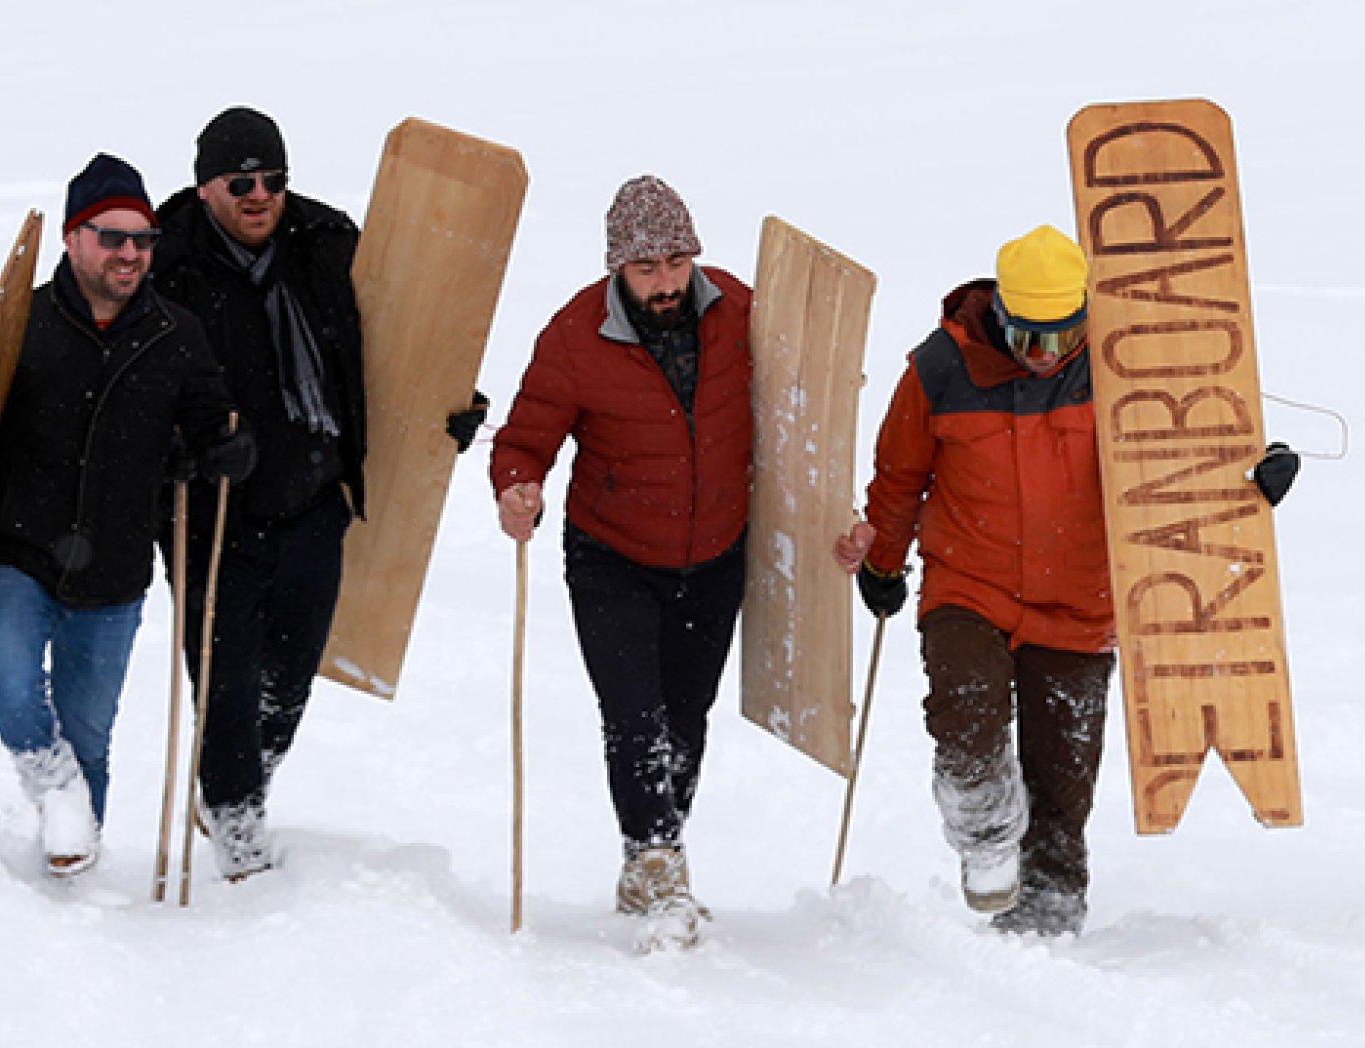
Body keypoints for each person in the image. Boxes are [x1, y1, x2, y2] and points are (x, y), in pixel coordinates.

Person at [831, 225, 1299, 936]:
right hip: (970, 584)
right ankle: (984, 833)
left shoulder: (1127, 363)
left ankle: (1048, 904)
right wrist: (883, 564)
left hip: (1082, 599)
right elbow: (898, 478)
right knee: (965, 717)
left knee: (1062, 770)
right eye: (1028, 339)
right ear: (1000, 316)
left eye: (1063, 337)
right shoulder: (939, 369)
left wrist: (1255, 476)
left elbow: (1189, 450)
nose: (1045, 358)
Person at [150, 106, 486, 882]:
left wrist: (450, 407)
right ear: (206, 189)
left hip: (312, 502)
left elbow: (395, 344)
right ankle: (234, 815)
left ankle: (245, 780)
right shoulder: (168, 264)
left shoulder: (327, 242)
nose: (260, 194)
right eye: (241, 183)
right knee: (225, 674)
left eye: (273, 179)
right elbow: (136, 387)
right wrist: (189, 448)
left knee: (290, 674)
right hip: (213, 513)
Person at [0, 153, 255, 878]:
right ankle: (55, 793)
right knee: (8, 685)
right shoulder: (16, 322)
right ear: (72, 238)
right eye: (112, 237)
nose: (130, 253)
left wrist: (225, 448)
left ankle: (73, 865)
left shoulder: (175, 334)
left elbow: (211, 421)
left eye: (143, 239)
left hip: (117, 566)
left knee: (90, 733)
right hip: (16, 550)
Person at [491, 175, 752, 945]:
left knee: (686, 718)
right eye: (646, 268)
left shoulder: (737, 312)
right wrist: (516, 487)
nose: (665, 281)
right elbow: (523, 438)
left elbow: (792, 399)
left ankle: (655, 851)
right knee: (634, 717)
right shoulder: (576, 334)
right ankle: (656, 859)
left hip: (714, 552)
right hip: (612, 553)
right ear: (616, 269)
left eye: (676, 261)